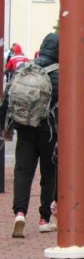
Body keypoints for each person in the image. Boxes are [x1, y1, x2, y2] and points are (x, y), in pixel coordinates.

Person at [0, 32, 60, 238]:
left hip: (24, 128)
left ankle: (19, 213)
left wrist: (4, 128)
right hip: (49, 131)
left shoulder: (24, 70)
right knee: (48, 173)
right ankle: (44, 218)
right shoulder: (59, 73)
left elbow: (7, 100)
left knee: (23, 171)